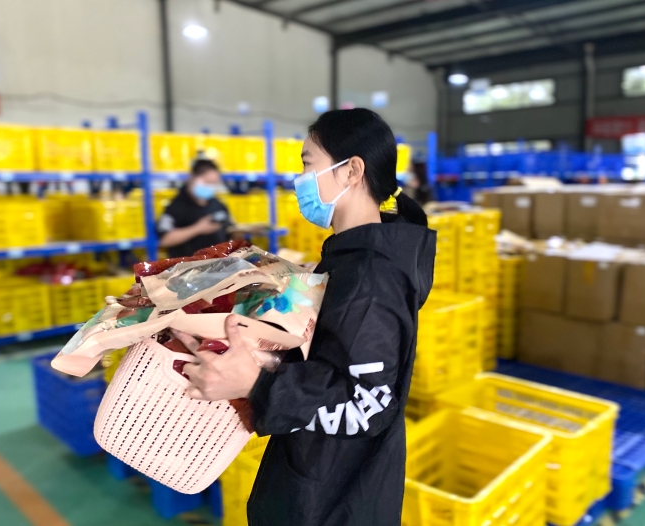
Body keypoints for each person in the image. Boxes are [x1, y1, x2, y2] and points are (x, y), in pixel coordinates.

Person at [184, 109, 437, 526]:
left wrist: (257, 384)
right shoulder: (347, 257)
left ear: (352, 171)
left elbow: (367, 403)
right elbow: (332, 361)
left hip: (335, 502)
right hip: (316, 476)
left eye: (307, 164)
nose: (299, 179)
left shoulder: (371, 277)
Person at [157, 159, 232, 258]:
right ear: (192, 177)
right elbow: (165, 240)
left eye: (214, 183)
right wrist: (198, 228)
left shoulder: (218, 205)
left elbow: (230, 230)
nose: (210, 187)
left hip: (218, 263)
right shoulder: (175, 207)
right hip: (188, 265)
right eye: (207, 182)